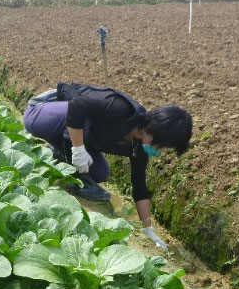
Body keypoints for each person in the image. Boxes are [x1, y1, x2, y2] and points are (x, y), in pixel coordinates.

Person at [22, 82, 193, 250]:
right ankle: (71, 164)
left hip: (66, 131)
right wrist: (78, 150)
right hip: (40, 113)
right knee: (84, 122)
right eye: (162, 146)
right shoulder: (122, 110)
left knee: (100, 173)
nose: (160, 151)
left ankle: (57, 153)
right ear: (154, 133)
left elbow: (140, 187)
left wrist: (148, 229)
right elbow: (76, 106)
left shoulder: (138, 147)